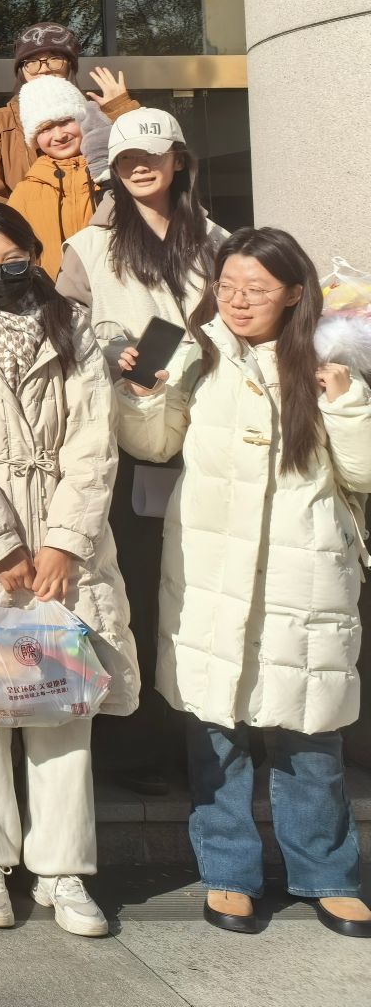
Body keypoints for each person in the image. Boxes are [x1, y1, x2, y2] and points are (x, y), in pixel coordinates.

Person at [115, 229, 371, 939]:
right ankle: (229, 871)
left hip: (303, 569)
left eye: (257, 289)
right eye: (228, 286)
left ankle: (328, 873)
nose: (238, 301)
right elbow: (151, 444)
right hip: (210, 567)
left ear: (295, 292)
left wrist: (347, 404)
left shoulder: (334, 358)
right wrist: (143, 393)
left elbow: (364, 474)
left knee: (309, 730)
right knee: (215, 728)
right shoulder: (195, 352)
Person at [0, 203, 138, 938]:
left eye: (11, 259)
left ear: (36, 253)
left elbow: (94, 446)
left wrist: (64, 543)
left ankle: (62, 869)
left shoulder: (75, 328)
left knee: (61, 712)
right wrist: (1, 546)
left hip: (66, 557)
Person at [57, 108, 227, 793]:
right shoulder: (87, 247)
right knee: (131, 593)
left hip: (206, 438)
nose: (139, 169)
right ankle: (131, 751)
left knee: (196, 596)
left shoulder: (219, 241)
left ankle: (200, 750)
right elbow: (62, 335)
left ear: (179, 159)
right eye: (126, 160)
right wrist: (108, 354)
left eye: (151, 156)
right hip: (122, 442)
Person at [0, 23, 138, 200]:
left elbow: (139, 167)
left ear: (70, 66)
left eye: (55, 59)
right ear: (21, 71)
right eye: (32, 62)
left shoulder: (95, 117)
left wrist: (121, 113)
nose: (44, 69)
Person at [6, 76, 98, 279]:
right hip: (52, 293)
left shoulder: (109, 173)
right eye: (45, 128)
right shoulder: (24, 193)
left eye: (65, 122)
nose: (59, 135)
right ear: (35, 138)